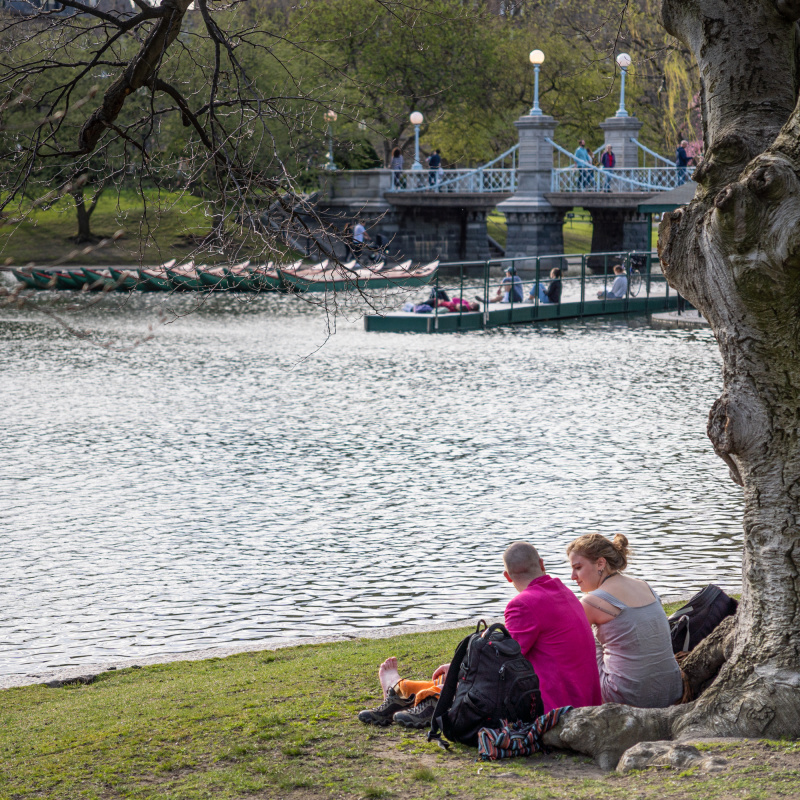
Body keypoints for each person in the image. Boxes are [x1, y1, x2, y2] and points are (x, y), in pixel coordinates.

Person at [357, 541, 601, 728]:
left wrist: (457, 669)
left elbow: (498, 664)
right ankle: (403, 690)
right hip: (584, 700)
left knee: (471, 686)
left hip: (553, 707)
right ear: (542, 564)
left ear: (507, 577)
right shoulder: (564, 592)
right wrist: (456, 665)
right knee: (461, 676)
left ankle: (403, 690)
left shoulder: (523, 604)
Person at [567, 533, 683, 708]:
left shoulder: (591, 602)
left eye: (577, 567)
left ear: (600, 563)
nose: (572, 576)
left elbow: (567, 647)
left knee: (578, 643)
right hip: (672, 689)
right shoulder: (644, 585)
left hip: (628, 697)